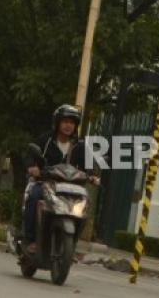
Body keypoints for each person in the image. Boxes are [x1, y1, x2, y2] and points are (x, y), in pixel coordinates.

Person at [22, 104, 96, 255]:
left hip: (70, 187)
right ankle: (30, 239)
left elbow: (88, 165)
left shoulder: (79, 145)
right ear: (57, 123)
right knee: (34, 196)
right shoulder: (46, 139)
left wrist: (93, 176)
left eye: (72, 122)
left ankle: (70, 246)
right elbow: (30, 154)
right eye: (65, 121)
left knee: (84, 204)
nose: (68, 126)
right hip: (46, 183)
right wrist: (32, 167)